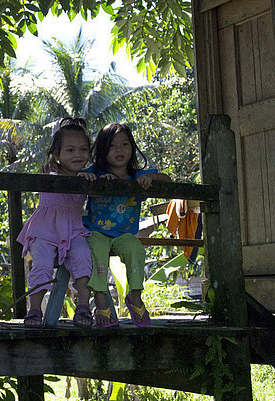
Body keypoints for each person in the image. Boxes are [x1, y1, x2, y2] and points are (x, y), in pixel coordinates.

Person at [83, 123, 171, 328]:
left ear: (132, 148)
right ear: (103, 150)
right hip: (97, 231)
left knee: (136, 249)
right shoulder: (95, 172)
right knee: (96, 250)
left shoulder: (138, 176)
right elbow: (79, 179)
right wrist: (93, 180)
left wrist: (153, 177)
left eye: (125, 144)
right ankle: (101, 298)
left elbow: (168, 181)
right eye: (112, 146)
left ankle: (135, 296)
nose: (119, 149)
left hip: (124, 234)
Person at [17, 117, 96, 328]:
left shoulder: (87, 176)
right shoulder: (50, 172)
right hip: (44, 230)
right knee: (41, 263)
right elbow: (49, 173)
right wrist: (52, 169)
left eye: (83, 150)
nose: (77, 155)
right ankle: (34, 310)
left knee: (83, 257)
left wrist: (91, 179)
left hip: (73, 229)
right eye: (70, 150)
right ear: (56, 154)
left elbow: (105, 179)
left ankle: (83, 307)